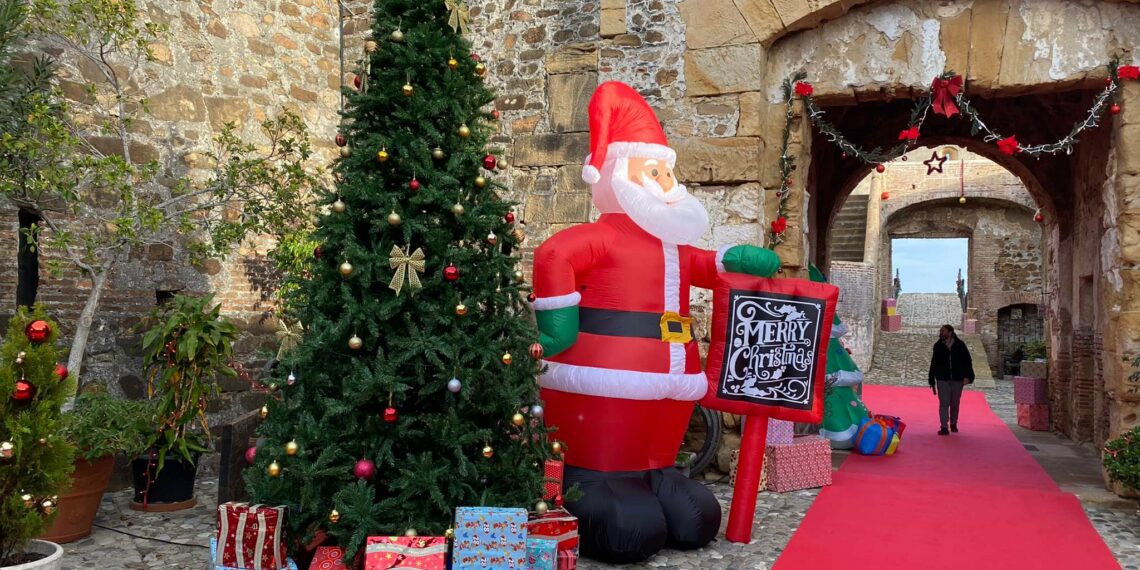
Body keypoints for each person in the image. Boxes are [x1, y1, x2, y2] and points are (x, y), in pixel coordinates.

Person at [530, 81, 781, 563]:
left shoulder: (673, 245)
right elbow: (554, 253)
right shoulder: (602, 237)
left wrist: (737, 259)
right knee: (628, 518)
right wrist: (559, 325)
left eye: (667, 171)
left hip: (671, 373)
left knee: (693, 512)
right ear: (615, 175)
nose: (667, 183)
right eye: (654, 171)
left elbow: (705, 265)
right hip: (608, 372)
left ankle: (657, 475)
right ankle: (595, 483)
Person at [928, 324, 975, 435]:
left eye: (943, 331)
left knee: (955, 403)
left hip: (957, 378)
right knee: (944, 403)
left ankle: (953, 423)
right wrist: (931, 377)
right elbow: (934, 363)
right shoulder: (938, 346)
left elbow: (967, 361)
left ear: (950, 332)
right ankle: (944, 426)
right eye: (940, 331)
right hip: (942, 378)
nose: (941, 333)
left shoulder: (960, 345)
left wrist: (969, 376)